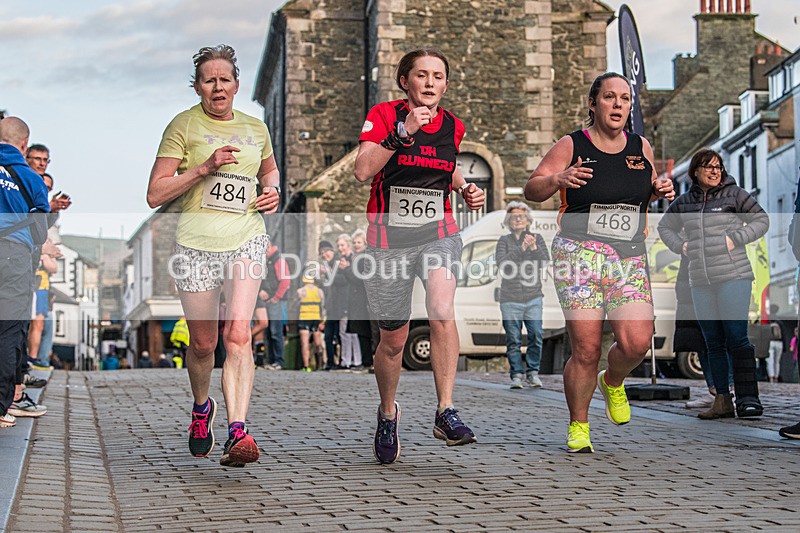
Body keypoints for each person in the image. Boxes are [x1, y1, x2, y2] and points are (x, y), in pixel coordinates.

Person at [524, 72, 674, 453]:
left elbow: (646, 192)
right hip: (578, 255)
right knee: (586, 348)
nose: (619, 105)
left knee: (637, 342)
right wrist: (559, 177)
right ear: (594, 104)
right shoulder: (571, 144)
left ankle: (613, 381)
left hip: (627, 256)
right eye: (610, 97)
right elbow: (532, 189)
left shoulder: (642, 147)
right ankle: (579, 424)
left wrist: (659, 190)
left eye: (625, 99)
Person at [146, 44, 280, 467]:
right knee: (203, 344)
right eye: (209, 79)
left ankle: (238, 429)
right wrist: (203, 168)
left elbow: (269, 170)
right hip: (195, 244)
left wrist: (274, 190)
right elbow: (155, 193)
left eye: (225, 79)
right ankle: (202, 408)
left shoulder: (256, 128)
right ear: (198, 86)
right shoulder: (182, 126)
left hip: (246, 237)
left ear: (236, 85)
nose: (218, 86)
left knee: (238, 334)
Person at [354, 48, 485, 464]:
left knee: (441, 308)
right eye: (421, 75)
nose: (430, 83)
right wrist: (402, 132)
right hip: (387, 240)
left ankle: (445, 410)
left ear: (445, 84)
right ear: (404, 81)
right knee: (393, 340)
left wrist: (465, 187)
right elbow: (362, 170)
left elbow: (445, 166)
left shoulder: (453, 126)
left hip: (438, 232)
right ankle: (388, 413)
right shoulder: (383, 114)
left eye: (438, 76)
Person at [658, 148, 768, 419]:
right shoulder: (685, 202)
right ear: (695, 171)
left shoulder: (735, 194)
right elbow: (664, 228)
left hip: (734, 276)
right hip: (700, 281)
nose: (714, 171)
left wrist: (736, 238)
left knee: (737, 338)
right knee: (712, 342)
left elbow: (762, 220)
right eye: (708, 167)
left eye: (718, 166)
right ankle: (722, 401)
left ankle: (748, 399)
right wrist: (681, 246)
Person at [0, 117, 50, 428]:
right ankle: (3, 404)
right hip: (14, 256)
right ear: (23, 145)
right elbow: (41, 231)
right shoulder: (30, 179)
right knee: (9, 330)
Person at [495, 202, 550, 389]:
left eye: (522, 216)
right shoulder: (504, 241)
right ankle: (516, 375)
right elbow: (503, 264)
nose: (518, 219)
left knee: (536, 335)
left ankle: (533, 373)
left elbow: (544, 262)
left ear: (528, 220)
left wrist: (534, 248)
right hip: (510, 298)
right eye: (514, 216)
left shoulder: (537, 238)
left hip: (533, 296)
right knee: (513, 339)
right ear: (508, 221)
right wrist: (522, 249)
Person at [344, 229, 374, 371]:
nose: (356, 245)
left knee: (365, 332)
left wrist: (347, 270)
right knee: (360, 332)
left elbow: (359, 278)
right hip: (356, 300)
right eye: (354, 242)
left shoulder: (365, 258)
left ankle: (367, 361)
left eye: (359, 242)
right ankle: (364, 360)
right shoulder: (355, 257)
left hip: (364, 299)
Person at [258, 242, 290, 370]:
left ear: (269, 247)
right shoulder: (265, 261)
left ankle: (278, 361)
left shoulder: (279, 260)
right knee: (268, 332)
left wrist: (276, 297)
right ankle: (270, 360)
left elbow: (285, 280)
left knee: (276, 332)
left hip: (276, 301)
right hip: (268, 301)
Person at [335, 233, 361, 369]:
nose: (340, 248)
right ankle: (347, 360)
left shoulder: (352, 260)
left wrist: (343, 270)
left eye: (342, 245)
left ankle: (354, 361)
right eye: (338, 245)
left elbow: (348, 280)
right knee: (345, 333)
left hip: (350, 299)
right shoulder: (342, 260)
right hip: (343, 299)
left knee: (351, 332)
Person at [318, 240, 340, 370]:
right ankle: (330, 362)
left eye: (326, 251)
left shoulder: (338, 264)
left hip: (339, 305)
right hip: (330, 306)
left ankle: (341, 361)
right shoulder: (326, 266)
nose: (324, 255)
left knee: (339, 336)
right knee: (328, 337)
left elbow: (341, 281)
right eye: (322, 253)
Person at [296, 274, 325, 371]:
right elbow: (323, 307)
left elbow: (295, 306)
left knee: (305, 343)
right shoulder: (319, 291)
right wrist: (323, 320)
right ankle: (320, 365)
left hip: (304, 318)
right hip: (316, 318)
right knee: (318, 343)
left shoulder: (300, 291)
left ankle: (306, 366)